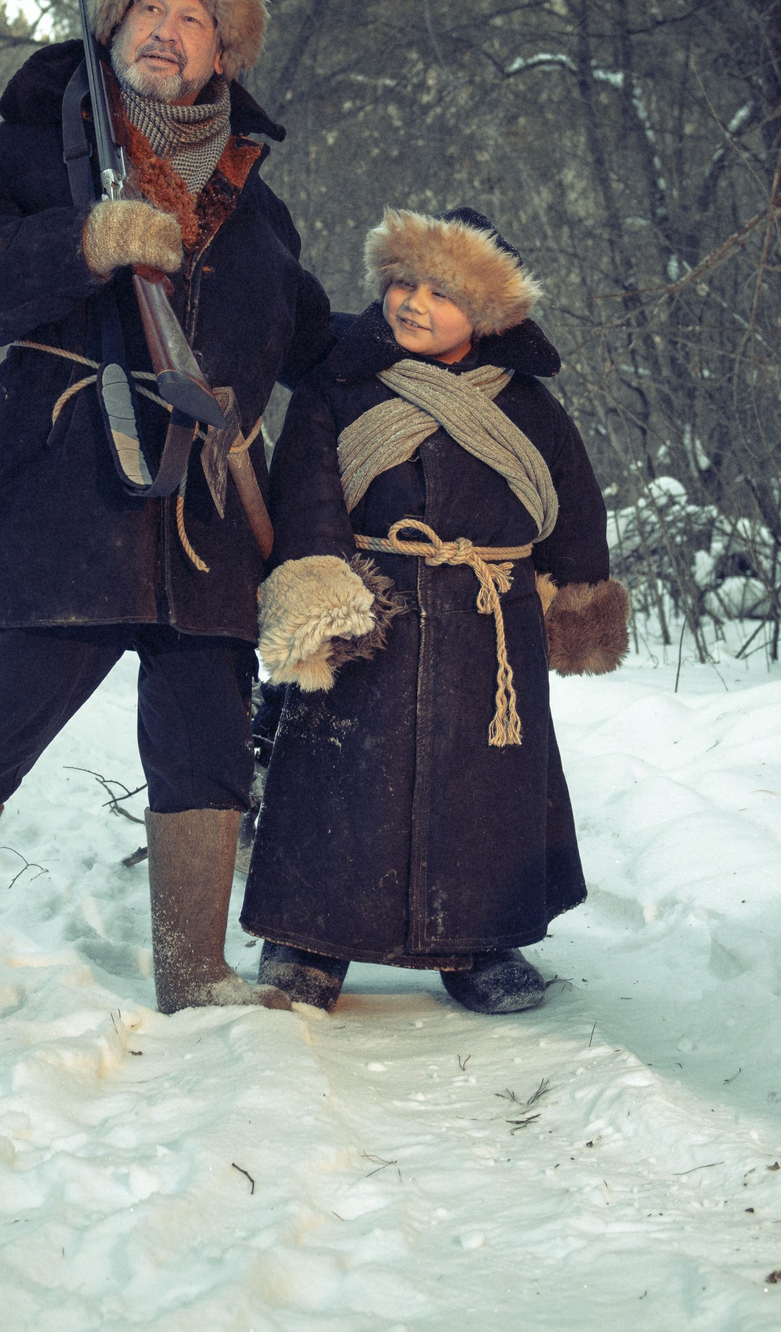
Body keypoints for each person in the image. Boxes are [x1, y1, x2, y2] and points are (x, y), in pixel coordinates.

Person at [0, 0, 337, 1027]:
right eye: (145, 11)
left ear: (223, 50)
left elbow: (319, 347)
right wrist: (79, 242)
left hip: (211, 513)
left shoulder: (259, 207)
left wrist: (455, 338)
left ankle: (195, 975)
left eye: (190, 17)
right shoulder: (34, 149)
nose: (163, 30)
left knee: (206, 743)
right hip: (67, 492)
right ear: (112, 27)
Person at [242, 208, 627, 1013]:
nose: (413, 301)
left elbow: (572, 503)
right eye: (402, 282)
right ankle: (308, 938)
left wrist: (580, 595)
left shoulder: (530, 408)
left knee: (485, 792)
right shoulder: (338, 389)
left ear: (488, 313)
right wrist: (319, 589)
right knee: (335, 780)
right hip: (367, 611)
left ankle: (480, 943)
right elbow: (306, 484)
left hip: (492, 625)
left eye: (440, 291)